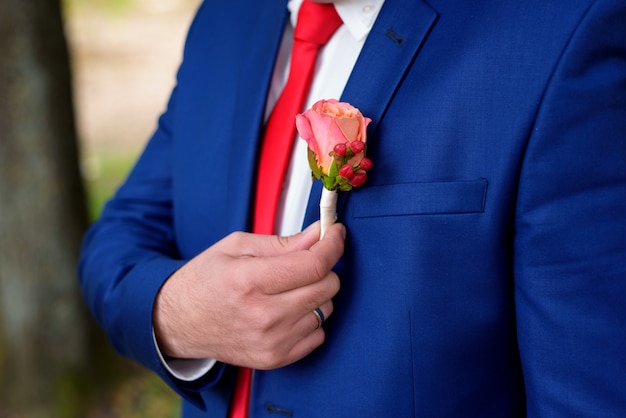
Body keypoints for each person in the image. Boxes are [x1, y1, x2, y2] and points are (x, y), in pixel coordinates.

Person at [78, 0, 626, 416]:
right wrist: (175, 314)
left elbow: (584, 387)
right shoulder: (225, 17)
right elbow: (118, 240)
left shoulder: (564, 31)